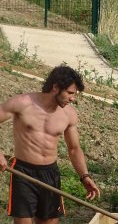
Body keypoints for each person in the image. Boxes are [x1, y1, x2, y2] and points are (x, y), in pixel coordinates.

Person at [0, 65, 100, 224]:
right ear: (55, 87)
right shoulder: (22, 103)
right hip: (23, 172)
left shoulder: (69, 114)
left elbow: (74, 149)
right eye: (70, 93)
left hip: (50, 173)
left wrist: (85, 176)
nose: (73, 98)